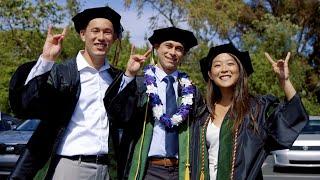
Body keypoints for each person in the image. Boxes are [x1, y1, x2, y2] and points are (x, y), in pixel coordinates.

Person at [8, 6, 124, 180]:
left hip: (109, 170)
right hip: (70, 167)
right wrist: (47, 60)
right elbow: (26, 107)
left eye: (107, 32)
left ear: (114, 38)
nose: (101, 37)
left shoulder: (116, 79)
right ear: (83, 34)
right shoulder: (61, 73)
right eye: (95, 31)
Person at [190, 43, 308, 180]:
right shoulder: (203, 113)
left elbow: (291, 116)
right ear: (210, 74)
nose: (224, 69)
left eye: (230, 64)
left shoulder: (257, 109)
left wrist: (284, 81)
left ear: (240, 70)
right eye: (217, 65)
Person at [104, 27, 205, 180]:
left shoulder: (191, 91)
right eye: (168, 46)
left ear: (183, 54)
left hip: (182, 170)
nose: (173, 52)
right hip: (147, 169)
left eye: (179, 49)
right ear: (156, 47)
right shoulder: (140, 84)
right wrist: (130, 74)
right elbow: (119, 116)